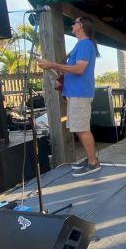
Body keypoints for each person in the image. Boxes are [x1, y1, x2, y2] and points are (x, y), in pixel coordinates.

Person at [37, 17, 100, 177]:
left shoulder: (85, 44)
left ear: (81, 26)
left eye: (75, 22)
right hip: (75, 93)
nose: (72, 24)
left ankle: (93, 163)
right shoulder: (81, 44)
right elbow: (73, 69)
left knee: (83, 129)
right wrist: (56, 69)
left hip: (80, 93)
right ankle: (90, 158)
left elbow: (79, 69)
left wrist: (53, 64)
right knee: (79, 128)